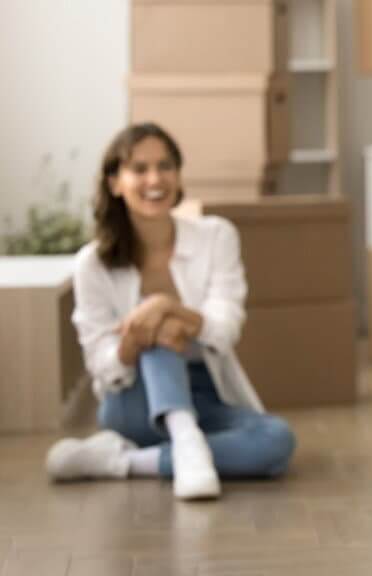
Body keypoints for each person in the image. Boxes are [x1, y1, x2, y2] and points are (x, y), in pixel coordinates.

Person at [45, 123, 295, 500]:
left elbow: (225, 330)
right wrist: (135, 340)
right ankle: (183, 439)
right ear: (115, 182)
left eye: (165, 166)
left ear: (178, 177)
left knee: (276, 440)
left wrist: (168, 306)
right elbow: (101, 363)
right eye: (139, 169)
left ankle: (128, 462)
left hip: (206, 393)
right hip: (132, 401)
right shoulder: (92, 264)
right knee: (160, 330)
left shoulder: (216, 236)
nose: (155, 179)